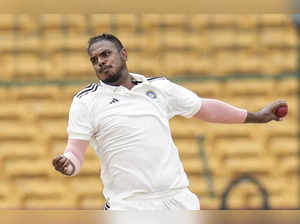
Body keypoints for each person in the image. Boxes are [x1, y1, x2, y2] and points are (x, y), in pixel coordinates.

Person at [52, 33, 287, 210]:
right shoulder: (87, 100)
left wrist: (257, 116)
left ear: (123, 54)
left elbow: (204, 108)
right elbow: (75, 152)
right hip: (130, 207)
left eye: (105, 54)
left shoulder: (158, 87)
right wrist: (69, 165)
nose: (100, 62)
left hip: (177, 200)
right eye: (94, 59)